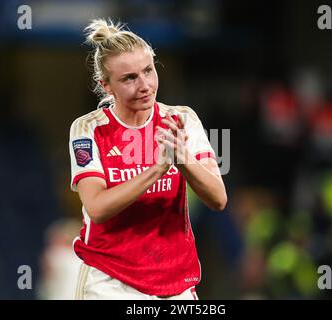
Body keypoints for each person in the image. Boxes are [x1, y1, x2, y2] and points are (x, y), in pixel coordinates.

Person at [69, 18, 227, 300]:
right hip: (110, 281)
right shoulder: (88, 128)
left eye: (148, 71)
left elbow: (218, 199)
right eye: (129, 78)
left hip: (175, 280)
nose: (144, 85)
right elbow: (97, 207)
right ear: (106, 86)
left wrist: (183, 159)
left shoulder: (182, 120)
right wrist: (157, 169)